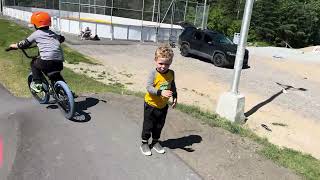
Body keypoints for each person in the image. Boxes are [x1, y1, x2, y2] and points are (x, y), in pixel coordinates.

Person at [9, 11, 65, 93]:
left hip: (46, 61)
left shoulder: (36, 34)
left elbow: (24, 44)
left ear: (36, 24)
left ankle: (37, 84)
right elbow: (61, 38)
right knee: (56, 75)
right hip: (59, 62)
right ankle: (68, 92)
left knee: (34, 64)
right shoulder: (52, 33)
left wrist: (15, 45)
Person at [140, 44, 178, 156]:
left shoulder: (171, 73)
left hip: (163, 105)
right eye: (161, 63)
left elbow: (172, 86)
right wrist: (161, 92)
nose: (163, 66)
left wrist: (175, 97)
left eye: (167, 64)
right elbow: (149, 87)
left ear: (170, 63)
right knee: (148, 126)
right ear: (155, 60)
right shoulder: (153, 73)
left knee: (159, 126)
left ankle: (156, 142)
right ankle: (144, 143)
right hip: (150, 105)